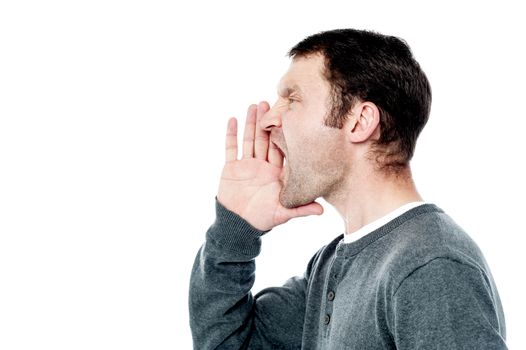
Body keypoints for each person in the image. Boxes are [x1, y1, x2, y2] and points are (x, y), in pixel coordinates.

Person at [189, 28, 507, 349]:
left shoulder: (431, 266)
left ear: (359, 121)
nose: (268, 119)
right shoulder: (332, 266)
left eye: (292, 99)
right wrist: (234, 233)